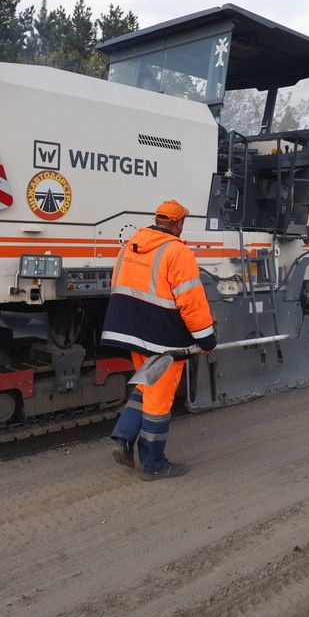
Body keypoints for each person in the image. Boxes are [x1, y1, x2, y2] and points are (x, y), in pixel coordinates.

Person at [102, 200, 216, 480]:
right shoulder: (178, 252)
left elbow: (116, 283)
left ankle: (124, 437)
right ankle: (154, 465)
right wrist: (206, 339)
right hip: (162, 338)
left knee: (146, 384)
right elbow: (191, 301)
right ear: (178, 224)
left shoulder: (131, 244)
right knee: (159, 402)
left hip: (132, 331)